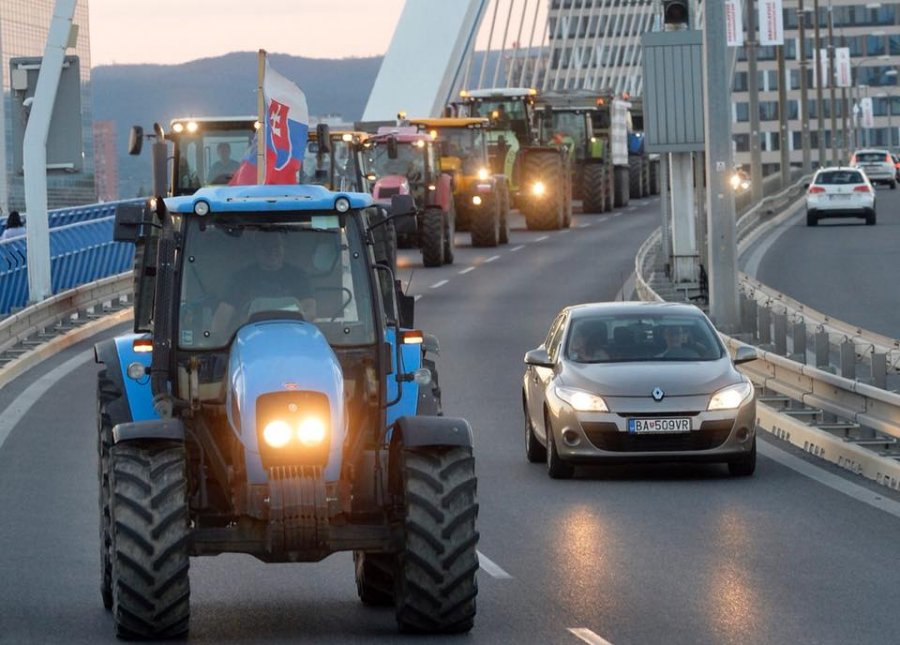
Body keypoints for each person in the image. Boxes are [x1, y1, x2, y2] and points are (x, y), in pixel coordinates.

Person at [212, 231, 316, 336]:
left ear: (283, 248)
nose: (271, 251)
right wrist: (216, 341)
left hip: (293, 335)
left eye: (276, 246)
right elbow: (223, 314)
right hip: (250, 337)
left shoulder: (298, 276)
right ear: (256, 250)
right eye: (265, 247)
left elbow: (310, 311)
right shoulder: (240, 278)